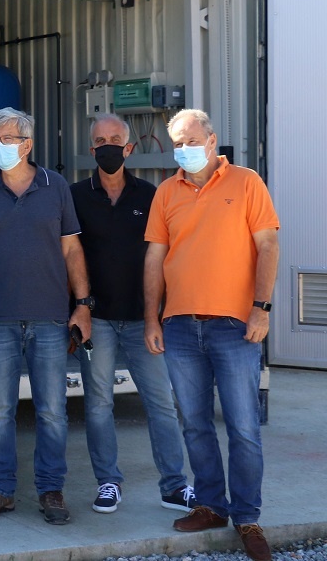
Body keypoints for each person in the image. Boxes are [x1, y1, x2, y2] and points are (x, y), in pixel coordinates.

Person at [143, 109, 280, 561]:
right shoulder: (167, 192)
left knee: (243, 427)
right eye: (177, 142)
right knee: (195, 424)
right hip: (180, 327)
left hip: (235, 327)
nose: (184, 148)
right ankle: (210, 506)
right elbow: (155, 258)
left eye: (191, 139)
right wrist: (152, 318)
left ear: (211, 139)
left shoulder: (247, 182)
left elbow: (268, 245)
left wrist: (261, 308)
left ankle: (248, 518)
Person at [0, 107, 93, 526]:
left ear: (27, 144)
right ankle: (1, 489)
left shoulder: (55, 187)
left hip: (50, 319)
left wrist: (83, 305)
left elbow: (72, 248)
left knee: (52, 410)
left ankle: (51, 489)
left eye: (7, 139)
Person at [70, 114, 195, 515]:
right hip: (97, 320)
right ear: (91, 149)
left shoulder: (150, 195)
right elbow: (67, 255)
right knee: (98, 404)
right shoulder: (74, 196)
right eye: (99, 141)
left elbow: (165, 255)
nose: (107, 146)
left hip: (145, 319)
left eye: (114, 140)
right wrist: (77, 310)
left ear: (128, 148)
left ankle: (174, 485)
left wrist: (161, 313)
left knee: (161, 403)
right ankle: (108, 482)